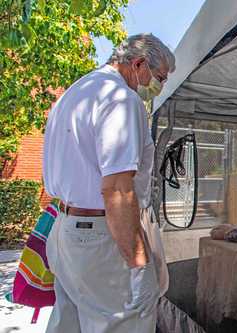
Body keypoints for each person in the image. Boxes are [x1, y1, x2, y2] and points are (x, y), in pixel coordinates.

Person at [42, 33, 175, 332]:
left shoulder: (77, 91)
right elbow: (117, 190)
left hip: (66, 230)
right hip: (102, 237)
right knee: (126, 322)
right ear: (138, 63)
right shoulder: (121, 99)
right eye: (160, 78)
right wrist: (139, 265)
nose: (160, 87)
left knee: (70, 322)